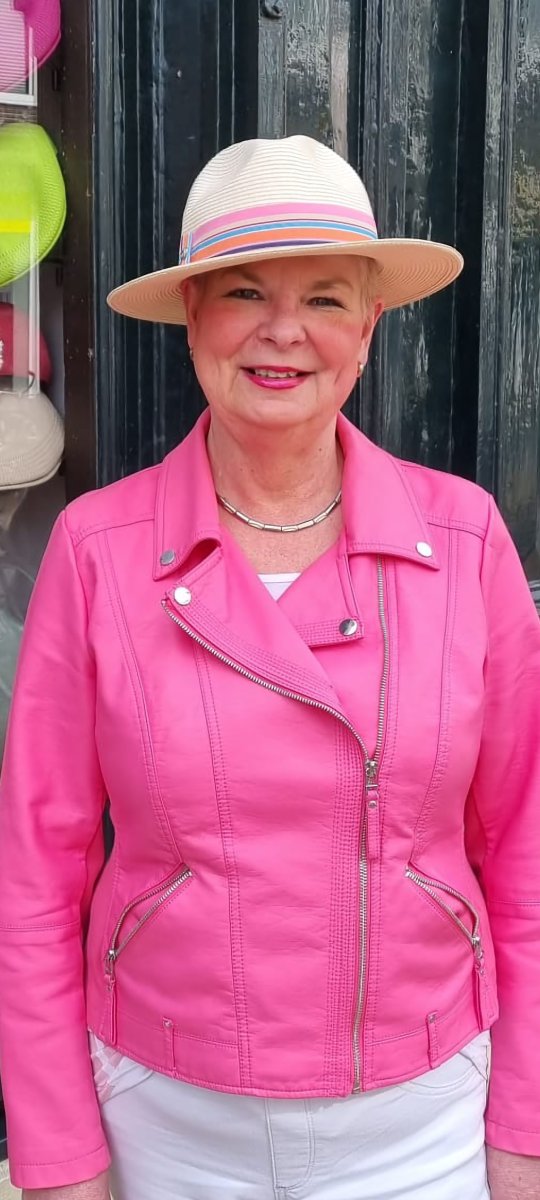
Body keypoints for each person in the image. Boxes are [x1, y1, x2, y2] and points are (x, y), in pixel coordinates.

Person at [0, 135, 539, 1200]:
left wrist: (525, 1122)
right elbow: (36, 875)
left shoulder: (464, 539)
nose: (284, 331)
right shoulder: (100, 550)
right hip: (165, 1115)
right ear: (193, 315)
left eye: (326, 298)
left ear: (368, 328)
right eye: (246, 291)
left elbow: (526, 846)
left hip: (423, 1117)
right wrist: (60, 1153)